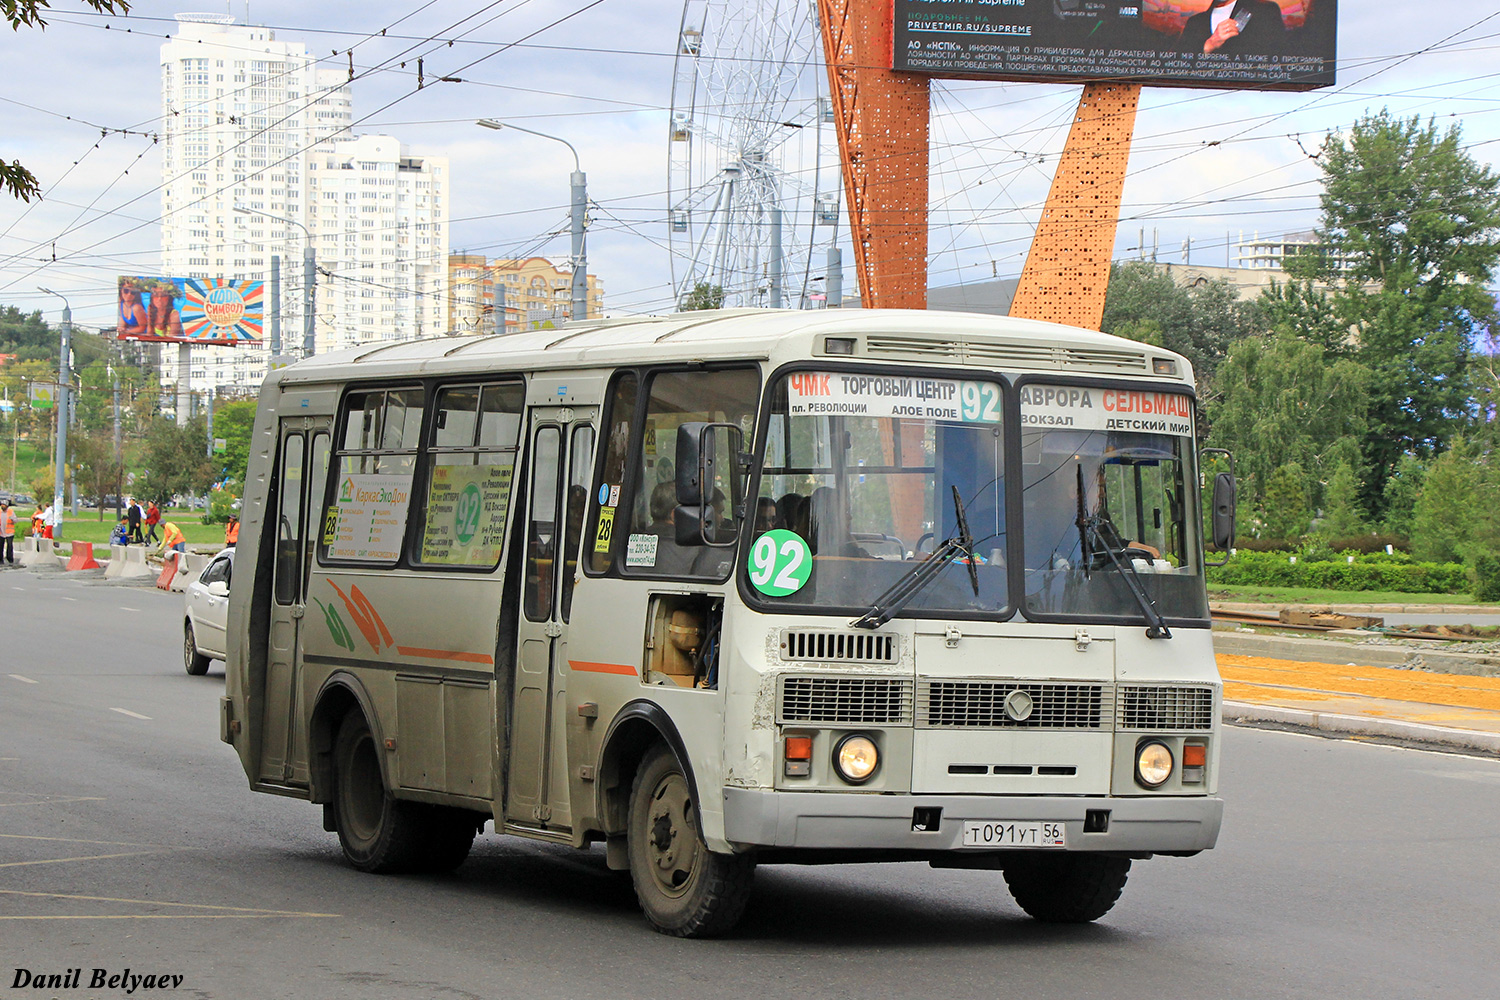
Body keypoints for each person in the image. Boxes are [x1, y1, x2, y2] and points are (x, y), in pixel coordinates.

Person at [1180, 0, 1287, 55]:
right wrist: (1208, 46)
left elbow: (1278, 56)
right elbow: (1176, 64)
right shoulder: (1195, 22)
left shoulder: (1265, 10)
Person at [0, 499, 15, 564]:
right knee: (0, 546)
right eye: (2, 505)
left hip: (9, 533)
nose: (2, 506)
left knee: (9, 546)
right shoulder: (0, 512)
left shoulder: (11, 512)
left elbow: (15, 520)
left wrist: (12, 519)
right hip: (1, 532)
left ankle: (10, 559)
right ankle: (0, 559)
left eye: (4, 505)